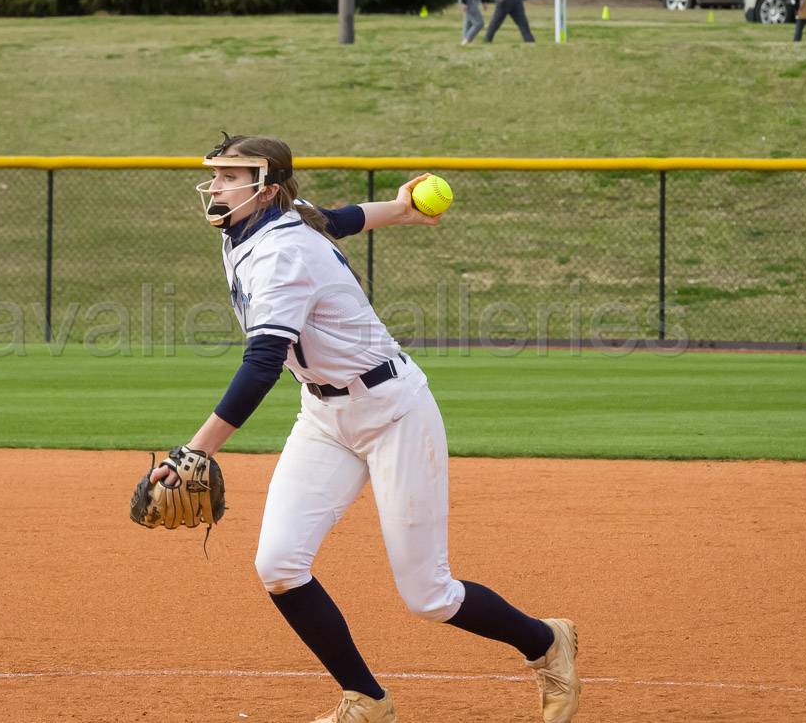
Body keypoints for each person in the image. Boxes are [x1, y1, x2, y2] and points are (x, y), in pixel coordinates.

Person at [149, 133, 581, 723]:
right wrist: (401, 210)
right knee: (278, 566)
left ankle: (546, 642)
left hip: (394, 412)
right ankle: (367, 699)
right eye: (216, 174)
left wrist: (193, 451)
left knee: (428, 596)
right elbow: (335, 218)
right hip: (325, 416)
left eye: (231, 175)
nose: (217, 185)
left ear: (265, 187)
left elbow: (262, 363)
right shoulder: (255, 224)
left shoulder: (282, 253)